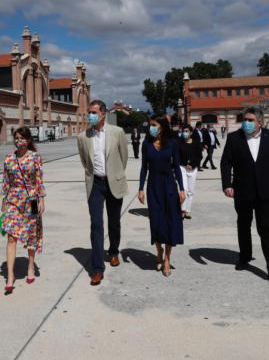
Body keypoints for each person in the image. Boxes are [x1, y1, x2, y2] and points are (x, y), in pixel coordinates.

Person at [220, 107, 269, 282]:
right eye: (245, 119)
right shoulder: (234, 138)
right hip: (242, 190)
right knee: (243, 226)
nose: (246, 123)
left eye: (250, 120)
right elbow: (225, 163)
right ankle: (244, 257)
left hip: (265, 191)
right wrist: (227, 184)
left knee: (265, 229)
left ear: (259, 122)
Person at [76, 100, 128, 286]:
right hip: (95, 185)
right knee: (96, 224)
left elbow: (124, 157)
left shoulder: (117, 132)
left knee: (114, 222)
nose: (90, 115)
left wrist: (114, 174)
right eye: (89, 112)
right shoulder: (83, 137)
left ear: (103, 113)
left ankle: (113, 251)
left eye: (93, 112)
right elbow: (85, 161)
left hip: (113, 181)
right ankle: (97, 269)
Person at [138, 115, 186, 277]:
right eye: (150, 125)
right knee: (156, 222)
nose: (150, 128)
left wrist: (182, 188)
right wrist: (140, 188)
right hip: (153, 187)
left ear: (162, 127)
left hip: (170, 187)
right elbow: (144, 167)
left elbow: (177, 168)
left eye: (154, 125)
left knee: (170, 222)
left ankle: (167, 259)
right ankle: (158, 251)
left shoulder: (172, 144)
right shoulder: (146, 144)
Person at [0, 127, 45, 294]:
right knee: (11, 237)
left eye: (22, 138)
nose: (19, 141)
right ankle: (10, 276)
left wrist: (41, 199)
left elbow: (39, 179)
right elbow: (6, 181)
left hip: (31, 199)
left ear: (29, 140)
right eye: (16, 138)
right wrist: (4, 201)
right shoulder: (9, 159)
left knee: (31, 234)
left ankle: (30, 266)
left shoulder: (35, 157)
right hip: (13, 200)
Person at [178, 124, 200, 220]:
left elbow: (199, 156)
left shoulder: (196, 143)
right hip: (182, 168)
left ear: (191, 132)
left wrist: (193, 164)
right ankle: (182, 210)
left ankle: (187, 211)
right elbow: (177, 157)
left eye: (187, 131)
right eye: (183, 131)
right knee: (184, 190)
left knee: (191, 191)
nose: (185, 133)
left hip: (193, 169)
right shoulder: (179, 143)